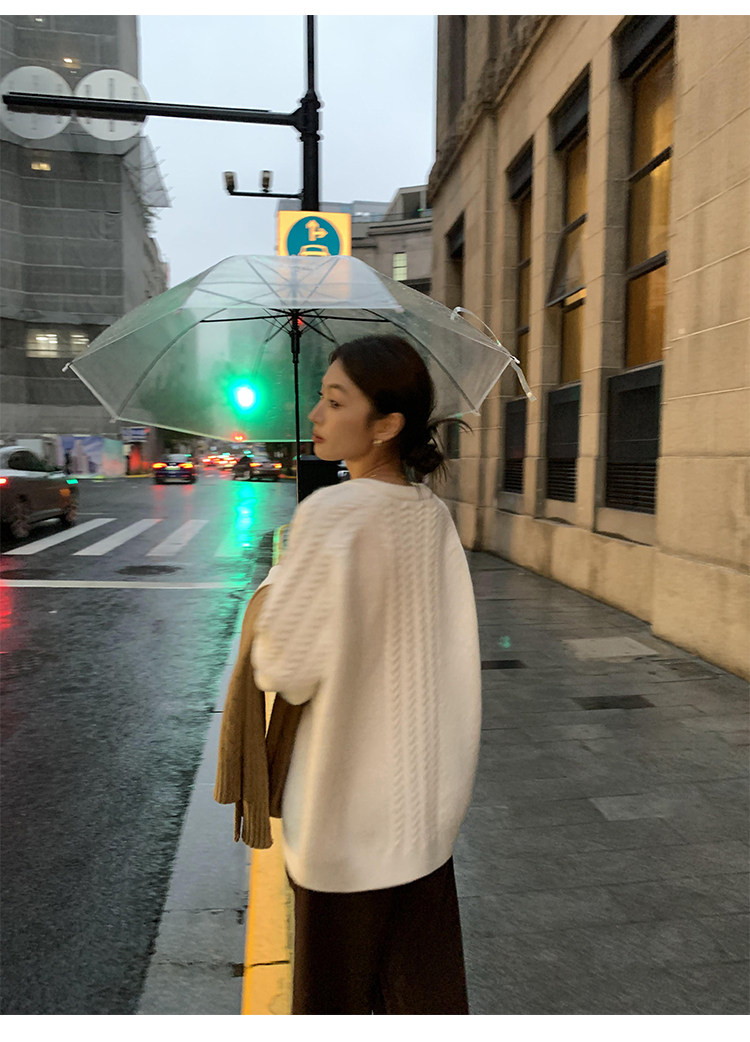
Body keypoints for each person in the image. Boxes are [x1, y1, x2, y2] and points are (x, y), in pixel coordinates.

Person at [251, 334, 482, 1015]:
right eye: (320, 397)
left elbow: (286, 670)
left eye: (335, 400)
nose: (316, 414)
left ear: (385, 425)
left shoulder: (329, 514)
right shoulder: (432, 516)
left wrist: (278, 585)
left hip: (342, 827)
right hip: (425, 821)